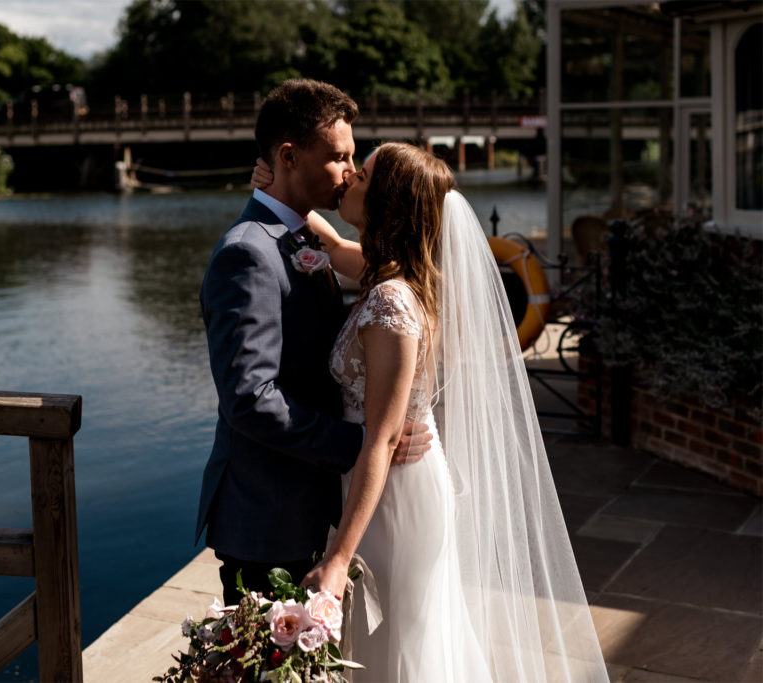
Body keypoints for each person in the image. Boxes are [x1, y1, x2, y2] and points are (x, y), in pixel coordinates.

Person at [254, 144, 608, 681]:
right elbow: (333, 245)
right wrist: (279, 187)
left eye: (363, 174)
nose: (349, 176)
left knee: (402, 645)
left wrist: (338, 561)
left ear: (387, 202)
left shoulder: (392, 303)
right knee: (397, 640)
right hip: (388, 483)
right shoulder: (391, 277)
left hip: (396, 493)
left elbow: (382, 440)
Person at [197, 80, 430, 606]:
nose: (350, 171)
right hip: (271, 520)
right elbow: (250, 400)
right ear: (287, 156)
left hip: (311, 507)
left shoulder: (302, 235)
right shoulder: (247, 255)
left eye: (355, 160)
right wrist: (366, 443)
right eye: (339, 158)